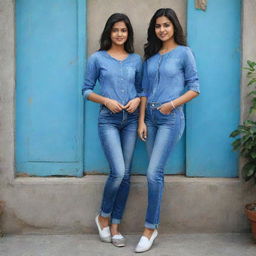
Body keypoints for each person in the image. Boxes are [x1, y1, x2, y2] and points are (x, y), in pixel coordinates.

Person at [135, 8, 200, 253]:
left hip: (171, 118)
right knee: (156, 174)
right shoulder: (150, 58)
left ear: (174, 27)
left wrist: (171, 105)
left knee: (153, 173)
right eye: (158, 26)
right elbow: (143, 92)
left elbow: (195, 88)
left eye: (166, 25)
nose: (162, 29)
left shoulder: (185, 53)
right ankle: (153, 226)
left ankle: (150, 228)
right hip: (149, 118)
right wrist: (141, 121)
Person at [82, 13, 142, 247]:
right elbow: (86, 90)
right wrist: (105, 100)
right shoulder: (97, 59)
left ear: (128, 34)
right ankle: (103, 216)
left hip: (130, 121)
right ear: (109, 32)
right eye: (115, 30)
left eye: (124, 30)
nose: (119, 34)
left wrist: (137, 100)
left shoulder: (136, 60)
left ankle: (115, 226)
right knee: (118, 171)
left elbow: (141, 89)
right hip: (108, 120)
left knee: (126, 176)